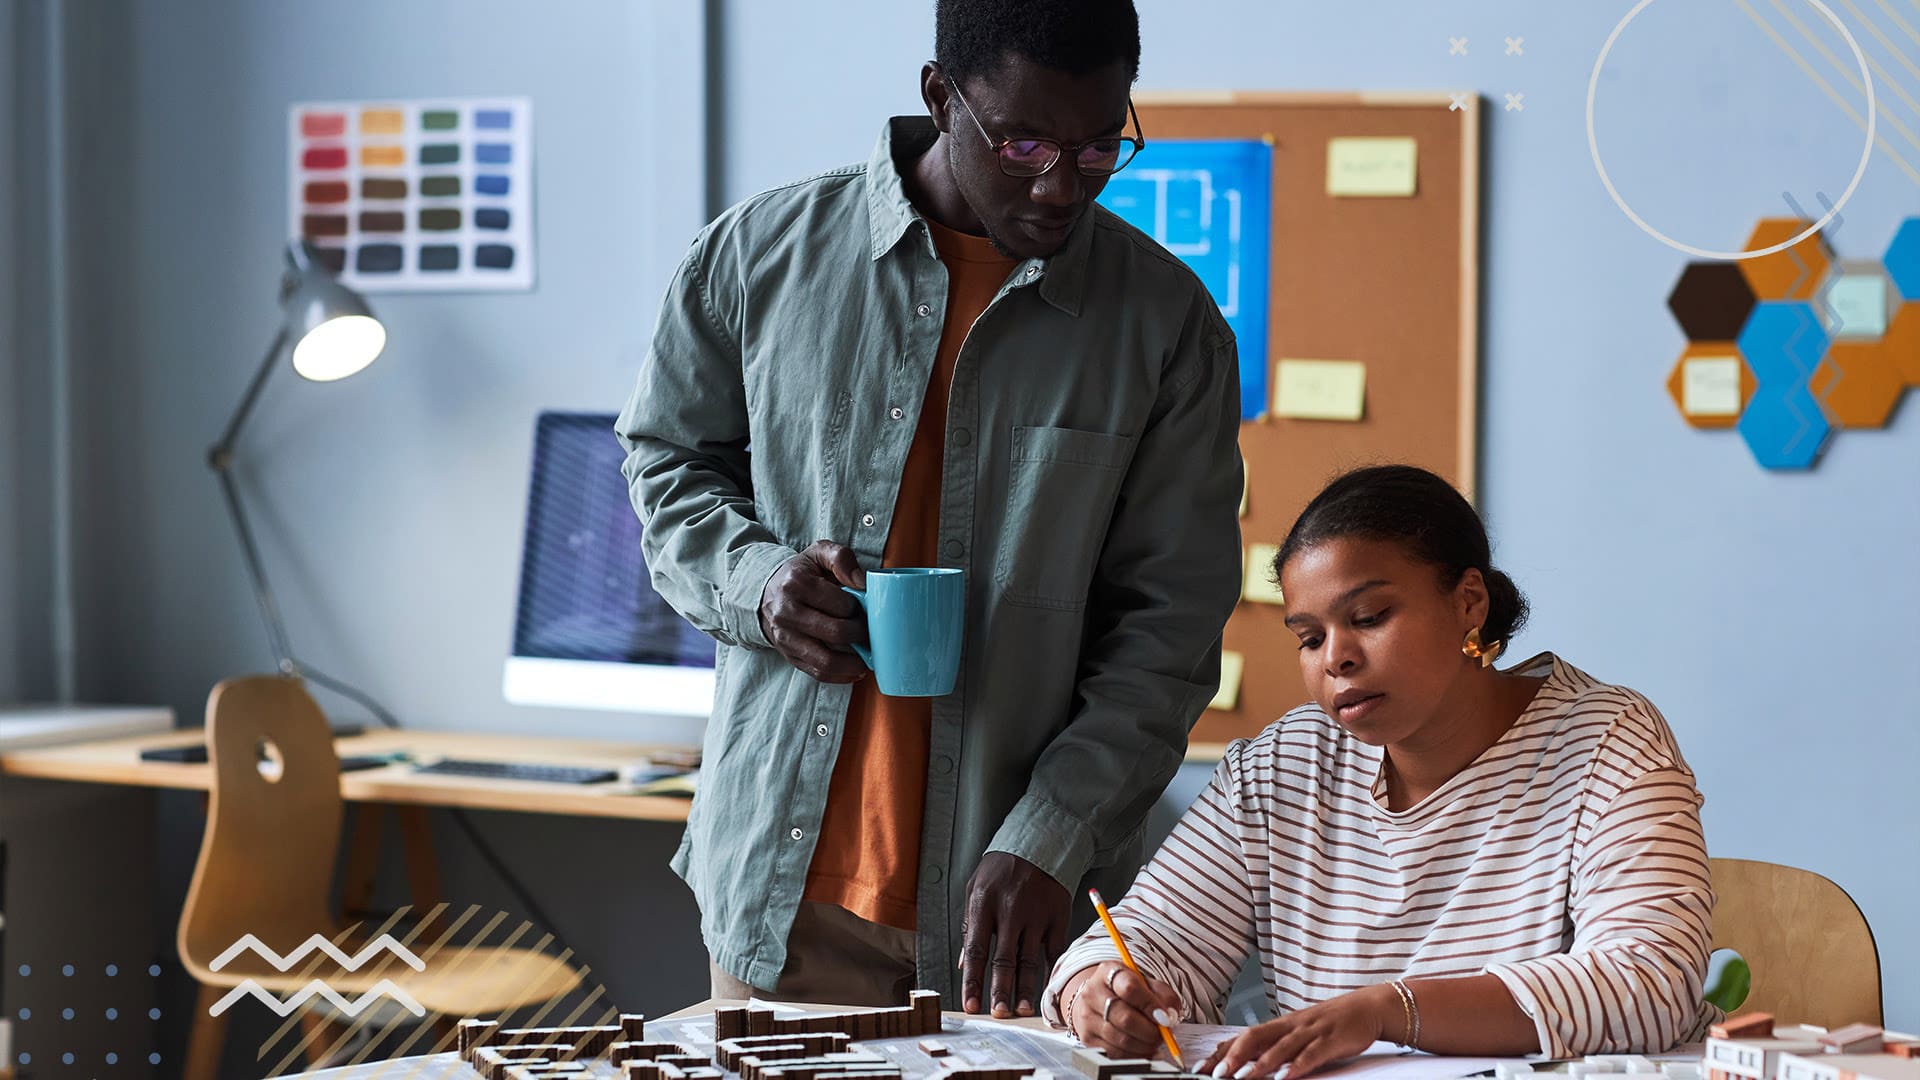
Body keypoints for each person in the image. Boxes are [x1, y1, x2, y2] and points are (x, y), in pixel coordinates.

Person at [614, 0, 1243, 1016]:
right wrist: (760, 581)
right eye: (1024, 142)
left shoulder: (1167, 328)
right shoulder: (754, 260)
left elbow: (1166, 636)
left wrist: (1053, 833)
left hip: (1018, 924)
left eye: (1095, 149)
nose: (1057, 185)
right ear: (940, 97)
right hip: (782, 906)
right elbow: (667, 470)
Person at [1045, 465, 1718, 1075]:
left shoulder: (1607, 742)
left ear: (1469, 604)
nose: (1335, 657)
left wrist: (1387, 1012)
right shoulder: (1283, 769)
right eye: (1309, 638)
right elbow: (1151, 939)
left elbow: (1651, 986)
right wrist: (1098, 988)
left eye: (1368, 617)